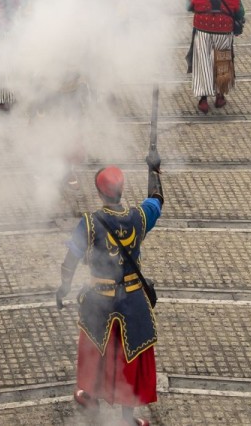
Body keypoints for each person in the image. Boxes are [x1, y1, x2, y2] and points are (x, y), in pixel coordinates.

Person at [56, 163, 163, 426]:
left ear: (99, 192)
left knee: (96, 352)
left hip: (100, 302)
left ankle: (91, 397)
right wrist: (154, 170)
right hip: (133, 302)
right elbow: (157, 199)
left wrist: (64, 286)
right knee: (130, 360)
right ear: (121, 189)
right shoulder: (139, 217)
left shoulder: (90, 223)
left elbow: (71, 259)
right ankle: (127, 420)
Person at [186, 0, 244, 113]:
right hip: (223, 32)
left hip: (203, 31)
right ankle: (220, 95)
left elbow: (189, 7)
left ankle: (203, 99)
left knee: (203, 62)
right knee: (223, 61)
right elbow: (240, 12)